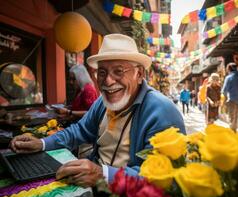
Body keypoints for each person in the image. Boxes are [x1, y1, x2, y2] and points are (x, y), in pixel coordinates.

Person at [10, 34, 186, 188]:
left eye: (118, 71)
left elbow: (160, 179)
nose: (108, 81)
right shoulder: (102, 102)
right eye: (102, 72)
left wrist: (103, 175)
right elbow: (79, 131)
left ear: (139, 74)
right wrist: (41, 143)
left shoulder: (162, 111)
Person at [221, 62, 238, 131]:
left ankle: (232, 132)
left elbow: (224, 90)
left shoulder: (229, 77)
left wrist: (223, 101)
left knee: (232, 117)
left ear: (229, 69)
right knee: (236, 117)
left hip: (232, 100)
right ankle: (234, 130)